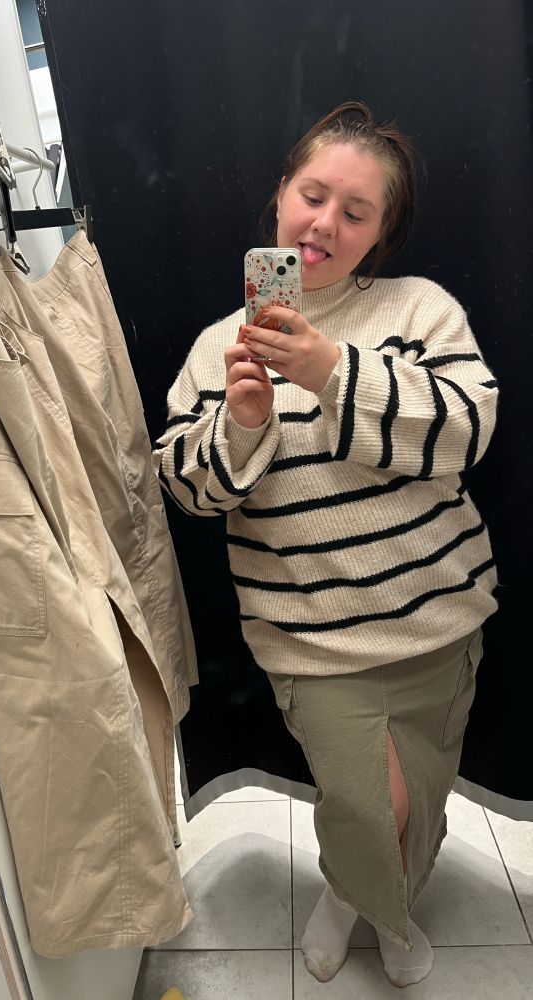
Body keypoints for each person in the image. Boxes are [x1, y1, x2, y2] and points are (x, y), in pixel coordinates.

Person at [152, 101, 498, 988]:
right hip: (313, 643)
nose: (325, 224)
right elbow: (184, 489)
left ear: (380, 233)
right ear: (280, 197)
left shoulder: (420, 310)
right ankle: (366, 899)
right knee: (366, 808)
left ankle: (364, 901)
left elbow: (465, 431)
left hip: (439, 622)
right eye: (313, 196)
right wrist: (242, 425)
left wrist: (331, 372)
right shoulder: (215, 350)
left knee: (421, 803)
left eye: (355, 211)